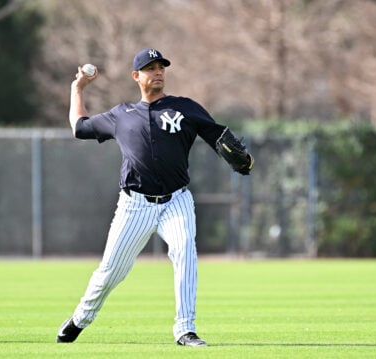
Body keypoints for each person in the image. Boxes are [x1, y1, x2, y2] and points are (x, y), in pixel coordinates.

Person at [56, 48, 253, 347]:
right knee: (110, 272)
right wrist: (77, 88)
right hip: (134, 205)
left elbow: (216, 134)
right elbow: (79, 127)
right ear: (136, 76)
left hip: (177, 201)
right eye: (150, 68)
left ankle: (185, 329)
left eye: (161, 67)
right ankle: (80, 319)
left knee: (185, 252)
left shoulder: (185, 108)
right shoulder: (121, 115)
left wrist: (237, 157)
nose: (158, 71)